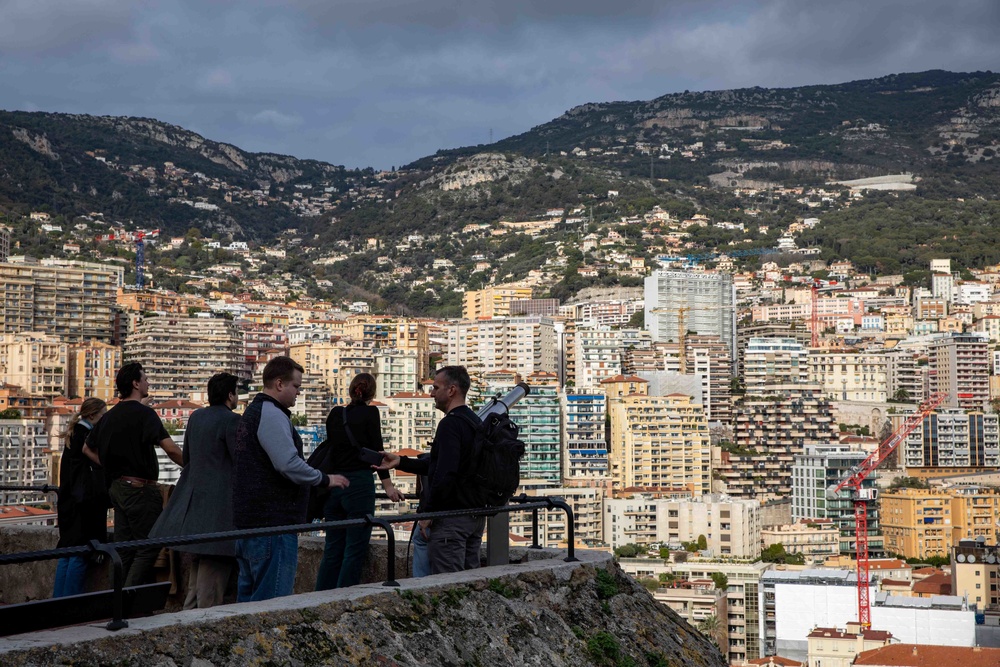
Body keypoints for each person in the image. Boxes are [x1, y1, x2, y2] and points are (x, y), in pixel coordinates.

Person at [232, 356, 349, 602]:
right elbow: (287, 464)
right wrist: (324, 479)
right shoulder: (272, 413)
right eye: (296, 386)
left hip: (250, 524)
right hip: (272, 526)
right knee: (271, 606)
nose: (298, 392)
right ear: (279, 384)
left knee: (247, 607)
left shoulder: (252, 412)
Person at [83, 363, 183, 587]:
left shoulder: (109, 416)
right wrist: (192, 466)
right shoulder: (145, 415)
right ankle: (127, 600)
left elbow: (86, 448)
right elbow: (171, 449)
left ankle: (114, 603)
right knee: (149, 546)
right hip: (140, 490)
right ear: (136, 384)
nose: (148, 383)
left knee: (123, 550)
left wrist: (108, 466)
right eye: (145, 379)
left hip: (118, 488)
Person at [377, 365, 483, 574]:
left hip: (451, 519)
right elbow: (440, 464)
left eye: (435, 388)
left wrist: (429, 514)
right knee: (471, 582)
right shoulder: (474, 421)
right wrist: (400, 461)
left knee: (448, 586)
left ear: (451, 390)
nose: (431, 393)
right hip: (474, 516)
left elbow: (445, 474)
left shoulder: (450, 425)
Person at [149, 372, 241, 609]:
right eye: (236, 391)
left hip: (194, 506)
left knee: (196, 584)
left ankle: (184, 626)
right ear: (230, 395)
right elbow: (240, 461)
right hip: (220, 510)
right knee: (211, 588)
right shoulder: (231, 420)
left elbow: (187, 458)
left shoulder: (196, 417)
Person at [315, 373, 404, 590]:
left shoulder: (336, 413)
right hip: (359, 485)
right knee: (355, 549)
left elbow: (333, 448)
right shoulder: (371, 413)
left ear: (351, 390)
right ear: (371, 393)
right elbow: (377, 452)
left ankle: (321, 596)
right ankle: (343, 596)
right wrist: (389, 487)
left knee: (333, 547)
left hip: (334, 483)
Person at [53, 397, 109, 597]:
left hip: (68, 502)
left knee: (67, 555)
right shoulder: (85, 436)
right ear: (93, 415)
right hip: (82, 504)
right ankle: (69, 603)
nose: (105, 419)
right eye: (103, 414)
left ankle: (57, 603)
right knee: (79, 554)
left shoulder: (74, 433)